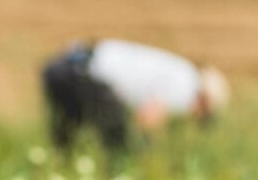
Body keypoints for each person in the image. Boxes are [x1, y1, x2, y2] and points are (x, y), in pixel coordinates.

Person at [41, 38, 230, 154]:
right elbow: (148, 117)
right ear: (204, 101)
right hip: (87, 75)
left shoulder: (180, 70)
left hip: (67, 65)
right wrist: (146, 148)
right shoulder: (187, 89)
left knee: (67, 134)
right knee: (118, 142)